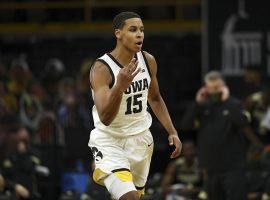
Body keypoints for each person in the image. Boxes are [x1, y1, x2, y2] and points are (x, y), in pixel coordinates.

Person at [88, 11, 182, 200]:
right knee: (128, 197)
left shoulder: (148, 61)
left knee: (134, 197)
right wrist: (120, 87)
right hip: (110, 140)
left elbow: (155, 98)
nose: (140, 34)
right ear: (118, 33)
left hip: (140, 139)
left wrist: (172, 131)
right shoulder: (102, 69)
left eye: (142, 30)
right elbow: (105, 118)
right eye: (133, 30)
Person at [181, 71, 264, 200]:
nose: (214, 92)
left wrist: (227, 101)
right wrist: (197, 103)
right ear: (205, 88)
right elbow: (185, 125)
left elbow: (243, 122)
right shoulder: (202, 107)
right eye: (211, 88)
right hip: (210, 167)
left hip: (233, 167)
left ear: (224, 87)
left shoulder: (234, 104)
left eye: (217, 88)